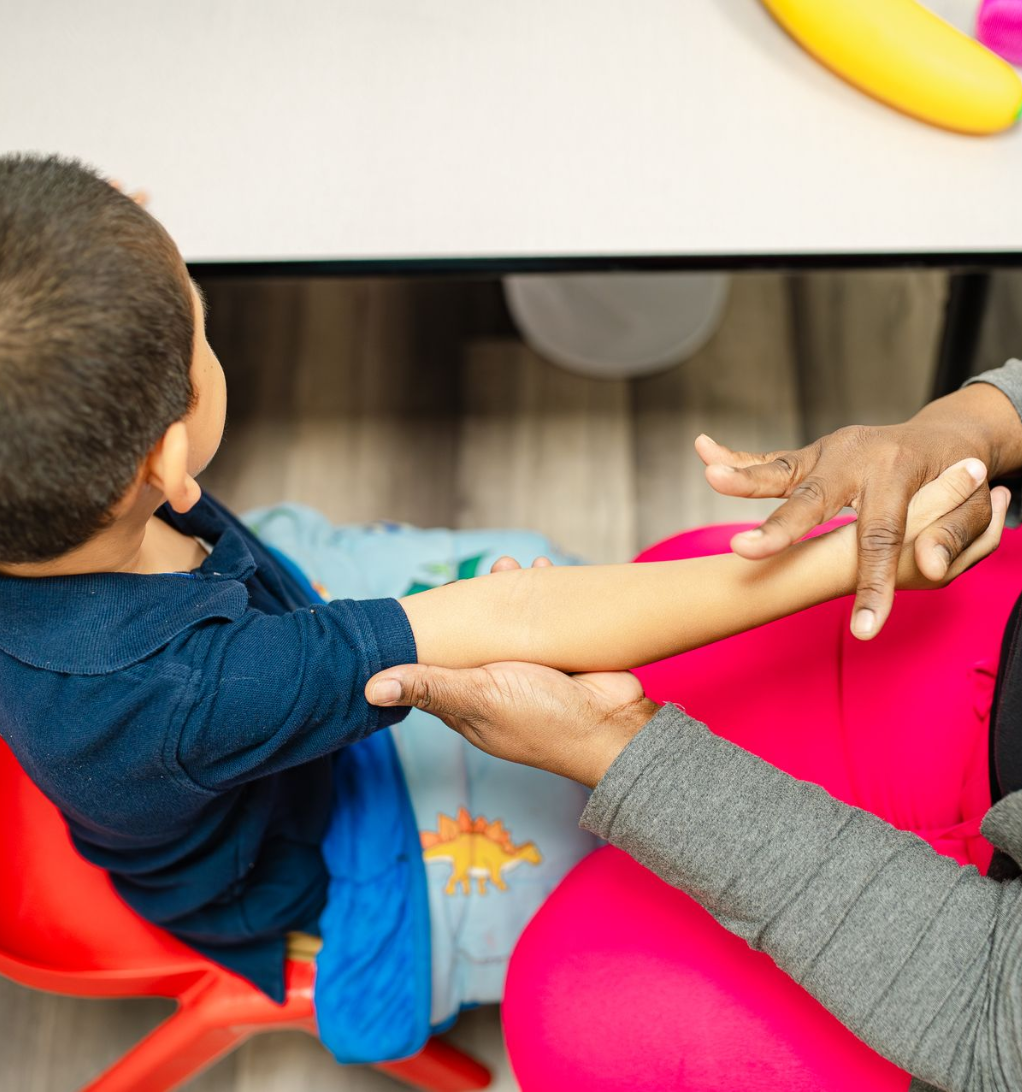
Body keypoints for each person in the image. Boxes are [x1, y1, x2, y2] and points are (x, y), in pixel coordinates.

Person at [3, 152, 998, 1067]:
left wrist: (104, 247)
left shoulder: (60, 516)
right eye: (203, 329)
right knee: (597, 844)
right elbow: (517, 621)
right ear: (168, 463)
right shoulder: (197, 689)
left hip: (199, 724)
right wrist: (839, 565)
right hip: (318, 856)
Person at [364, 362, 1022, 1092]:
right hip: (999, 660)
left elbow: (987, 1004)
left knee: (581, 1014)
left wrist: (627, 753)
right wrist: (976, 423)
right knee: (669, 597)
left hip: (985, 996)